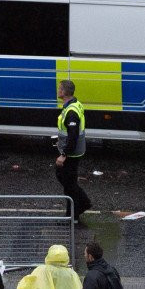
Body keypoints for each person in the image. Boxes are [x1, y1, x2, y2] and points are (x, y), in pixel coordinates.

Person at [51, 79, 90, 221]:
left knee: (68, 183)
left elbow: (72, 136)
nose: (57, 90)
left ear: (63, 92)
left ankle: (74, 214)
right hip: (75, 151)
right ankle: (79, 208)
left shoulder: (71, 111)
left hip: (72, 153)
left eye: (59, 88)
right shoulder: (74, 104)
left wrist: (63, 155)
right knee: (68, 181)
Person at [12, 246, 79, 289]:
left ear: (49, 255)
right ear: (66, 256)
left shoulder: (41, 270)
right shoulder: (72, 273)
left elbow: (30, 287)